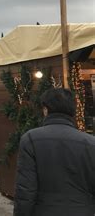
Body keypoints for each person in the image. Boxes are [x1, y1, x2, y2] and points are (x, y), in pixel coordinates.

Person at [14, 88, 95, 216]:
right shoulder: (91, 143)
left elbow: (26, 190)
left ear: (46, 109)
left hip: (44, 210)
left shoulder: (30, 140)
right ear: (73, 111)